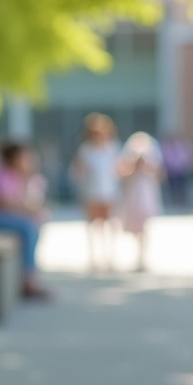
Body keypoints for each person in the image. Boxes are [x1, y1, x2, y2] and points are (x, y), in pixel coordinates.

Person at [0, 141, 53, 300]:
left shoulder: (16, 176)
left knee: (31, 227)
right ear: (14, 158)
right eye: (25, 157)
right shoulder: (1, 174)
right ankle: (29, 281)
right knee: (28, 227)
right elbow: (6, 203)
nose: (28, 160)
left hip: (0, 217)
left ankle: (28, 275)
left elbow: (23, 201)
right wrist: (32, 211)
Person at [69, 113, 121, 272]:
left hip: (109, 192)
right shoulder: (86, 149)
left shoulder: (112, 147)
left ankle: (109, 257)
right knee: (93, 225)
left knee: (109, 224)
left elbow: (119, 169)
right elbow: (77, 171)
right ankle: (94, 257)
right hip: (92, 192)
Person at [118, 131, 164, 272]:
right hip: (133, 195)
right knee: (135, 228)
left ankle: (142, 257)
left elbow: (160, 175)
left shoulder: (151, 160)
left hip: (146, 195)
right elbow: (122, 173)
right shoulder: (129, 159)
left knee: (144, 227)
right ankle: (139, 255)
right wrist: (134, 166)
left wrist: (146, 166)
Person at [161, 131, 193, 207]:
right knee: (172, 187)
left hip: (182, 170)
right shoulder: (167, 146)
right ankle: (174, 200)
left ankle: (182, 200)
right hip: (171, 171)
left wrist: (186, 166)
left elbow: (189, 157)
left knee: (183, 187)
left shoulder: (184, 145)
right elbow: (166, 158)